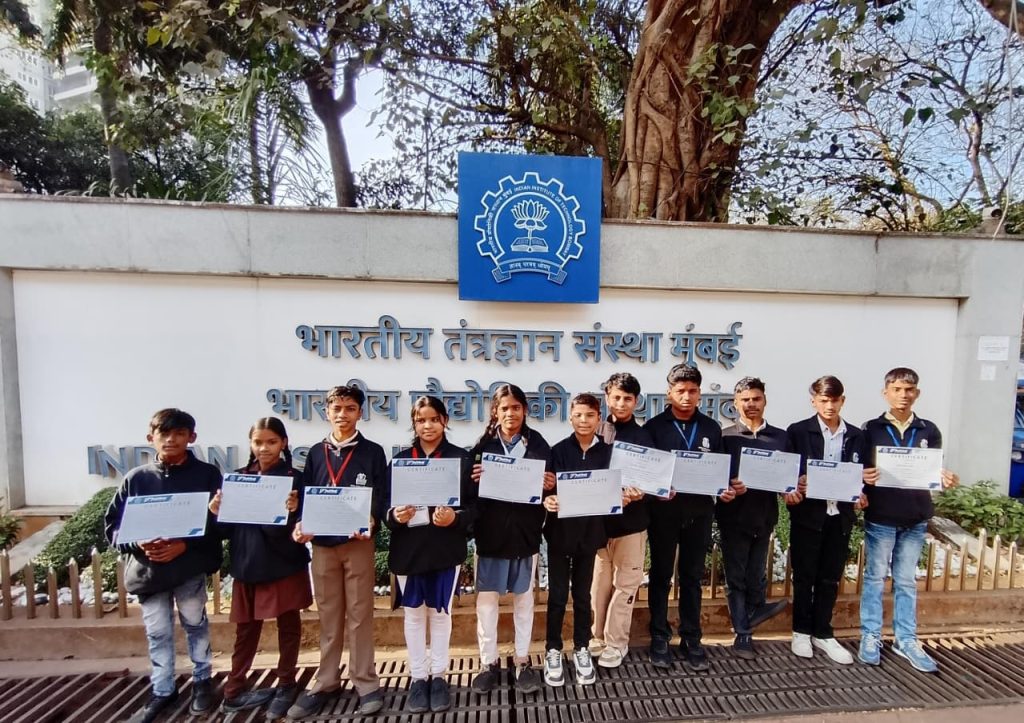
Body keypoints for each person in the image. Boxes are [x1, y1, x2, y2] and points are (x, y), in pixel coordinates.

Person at [103, 409, 222, 723]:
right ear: (150, 438)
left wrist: (185, 544)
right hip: (149, 571)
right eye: (164, 434)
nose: (171, 440)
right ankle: (163, 689)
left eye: (179, 434)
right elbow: (113, 527)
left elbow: (220, 524)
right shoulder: (137, 479)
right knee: (157, 632)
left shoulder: (207, 475)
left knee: (196, 624)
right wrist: (137, 543)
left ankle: (202, 682)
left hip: (188, 567)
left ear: (191, 438)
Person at [288, 385, 388, 719]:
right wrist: (301, 521)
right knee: (328, 614)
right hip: (323, 546)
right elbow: (306, 494)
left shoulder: (373, 452)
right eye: (336, 408)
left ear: (360, 412)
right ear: (326, 411)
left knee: (360, 614)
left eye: (349, 408)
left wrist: (372, 518)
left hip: (357, 544)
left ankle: (365, 682)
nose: (342, 414)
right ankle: (326, 679)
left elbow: (380, 494)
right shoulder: (315, 453)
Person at [209, 417, 312, 717]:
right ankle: (234, 688)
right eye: (258, 442)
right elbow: (224, 532)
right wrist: (216, 512)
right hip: (247, 564)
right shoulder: (239, 479)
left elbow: (305, 525)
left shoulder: (296, 480)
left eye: (271, 442)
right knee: (246, 629)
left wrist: (295, 512)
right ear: (251, 444)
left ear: (284, 444)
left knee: (289, 626)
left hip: (283, 563)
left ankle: (286, 682)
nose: (264, 448)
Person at [859, 368, 959, 673]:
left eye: (909, 390)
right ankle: (870, 635)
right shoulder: (870, 429)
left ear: (917, 393)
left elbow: (933, 470)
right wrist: (862, 481)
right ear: (885, 392)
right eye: (897, 389)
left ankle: (905, 639)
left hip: (916, 517)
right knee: (875, 579)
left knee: (905, 581)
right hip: (881, 516)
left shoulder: (929, 430)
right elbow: (861, 471)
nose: (903, 395)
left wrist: (945, 478)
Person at [386, 396, 475, 714]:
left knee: (440, 615)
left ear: (445, 421)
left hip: (444, 551)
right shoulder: (399, 461)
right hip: (408, 553)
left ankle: (439, 676)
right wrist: (395, 515)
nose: (427, 425)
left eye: (434, 419)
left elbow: (474, 510)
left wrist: (456, 518)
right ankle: (417, 677)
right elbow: (383, 507)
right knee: (413, 616)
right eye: (421, 420)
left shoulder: (460, 460)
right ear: (414, 423)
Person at [469, 383, 555, 696]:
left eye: (516, 407)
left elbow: (550, 488)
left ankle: (522, 661)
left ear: (524, 411)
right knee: (487, 602)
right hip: (491, 537)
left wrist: (549, 483)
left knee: (524, 601)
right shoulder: (482, 446)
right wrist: (473, 478)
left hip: (525, 536)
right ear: (495, 411)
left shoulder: (539, 444)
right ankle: (487, 662)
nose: (510, 413)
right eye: (504, 408)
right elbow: (469, 492)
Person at [644, 363, 723, 671]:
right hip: (663, 513)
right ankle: (659, 637)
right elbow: (648, 472)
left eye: (692, 391)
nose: (687, 397)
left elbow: (719, 470)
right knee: (661, 576)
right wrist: (656, 490)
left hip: (700, 512)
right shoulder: (654, 428)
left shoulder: (711, 428)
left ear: (700, 394)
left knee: (692, 578)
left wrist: (724, 487)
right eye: (680, 391)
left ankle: (691, 638)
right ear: (669, 392)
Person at [785, 376, 866, 665]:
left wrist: (861, 494)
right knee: (805, 576)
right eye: (823, 400)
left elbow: (863, 475)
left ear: (842, 400)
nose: (829, 406)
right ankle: (801, 631)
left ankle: (823, 632)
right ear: (813, 400)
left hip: (840, 517)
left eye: (834, 400)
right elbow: (787, 471)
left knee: (830, 577)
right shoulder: (798, 432)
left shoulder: (857, 435)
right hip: (809, 516)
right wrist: (795, 484)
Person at [542, 393, 618, 687]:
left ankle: (582, 648)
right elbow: (548, 488)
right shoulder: (557, 450)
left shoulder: (609, 453)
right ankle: (552, 649)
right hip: (561, 534)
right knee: (558, 596)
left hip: (590, 535)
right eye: (578, 415)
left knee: (583, 596)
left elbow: (614, 489)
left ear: (599, 418)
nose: (584, 421)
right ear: (570, 418)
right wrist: (548, 500)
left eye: (590, 415)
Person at [719, 377, 790, 660]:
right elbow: (715, 475)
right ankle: (742, 634)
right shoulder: (725, 437)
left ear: (764, 401)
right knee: (735, 578)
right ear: (735, 403)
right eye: (745, 399)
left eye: (756, 399)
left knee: (756, 575)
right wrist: (728, 485)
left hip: (765, 515)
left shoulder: (781, 437)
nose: (750, 404)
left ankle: (754, 613)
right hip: (733, 516)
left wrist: (791, 489)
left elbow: (788, 476)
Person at [591, 373, 650, 668]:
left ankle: (617, 643)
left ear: (636, 402)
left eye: (628, 398)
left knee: (626, 584)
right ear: (607, 397)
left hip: (632, 523)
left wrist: (640, 494)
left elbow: (654, 480)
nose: (621, 403)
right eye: (616, 397)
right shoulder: (593, 431)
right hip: (600, 525)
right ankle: (597, 636)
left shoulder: (645, 437)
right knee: (599, 584)